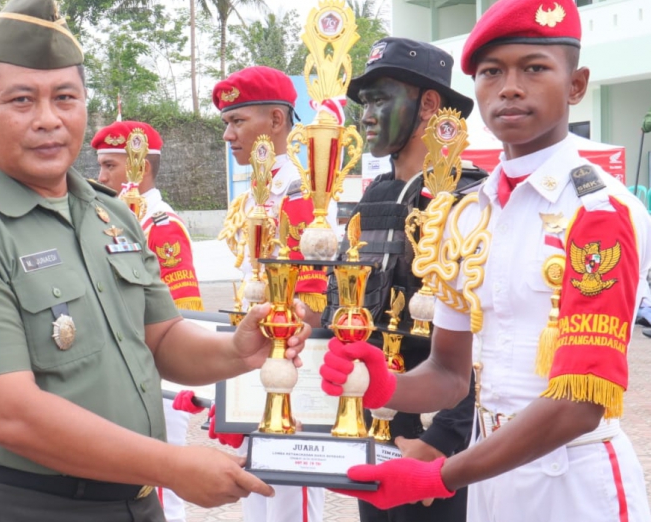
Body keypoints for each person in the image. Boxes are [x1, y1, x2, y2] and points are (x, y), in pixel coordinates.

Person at [0, 0, 310, 522]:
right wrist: (172, 465)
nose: (49, 119)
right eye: (22, 100)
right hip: (34, 508)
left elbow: (161, 338)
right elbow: (10, 415)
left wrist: (238, 349)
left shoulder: (111, 214)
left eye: (65, 98)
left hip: (136, 502)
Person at [320, 0, 651, 521]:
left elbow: (580, 404)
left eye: (535, 69)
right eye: (492, 72)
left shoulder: (598, 212)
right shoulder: (468, 212)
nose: (510, 89)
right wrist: (383, 383)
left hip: (572, 481)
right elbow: (450, 374)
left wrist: (438, 474)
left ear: (577, 85)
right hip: (491, 477)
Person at [319, 37, 484, 522]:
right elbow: (344, 316)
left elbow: (479, 339)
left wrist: (441, 442)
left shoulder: (470, 201)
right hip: (371, 423)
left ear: (429, 104)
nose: (365, 115)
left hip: (440, 437)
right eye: (363, 103)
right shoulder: (374, 197)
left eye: (380, 99)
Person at [206, 65, 334, 522]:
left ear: (277, 122)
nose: (228, 136)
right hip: (258, 363)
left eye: (237, 121)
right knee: (260, 496)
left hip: (291, 367)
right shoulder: (256, 196)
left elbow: (313, 306)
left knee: (288, 502)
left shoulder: (301, 194)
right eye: (226, 123)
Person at [91, 119, 203, 522]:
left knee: (160, 490)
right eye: (101, 166)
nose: (100, 175)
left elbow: (181, 312)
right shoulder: (114, 222)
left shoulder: (161, 227)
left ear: (140, 167)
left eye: (110, 166)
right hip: (123, 373)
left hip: (156, 376)